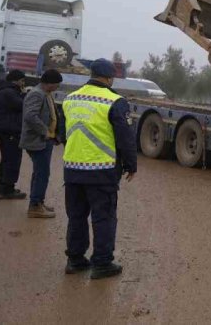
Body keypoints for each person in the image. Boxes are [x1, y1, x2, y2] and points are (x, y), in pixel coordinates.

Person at [62, 58, 137, 279]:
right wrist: (131, 165)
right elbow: (125, 138)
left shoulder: (70, 98)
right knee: (103, 217)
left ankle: (75, 260)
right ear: (110, 78)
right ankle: (103, 263)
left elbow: (63, 133)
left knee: (76, 217)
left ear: (91, 73)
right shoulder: (115, 101)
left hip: (73, 169)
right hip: (101, 170)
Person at [21, 69, 63, 218]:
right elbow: (30, 116)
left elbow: (52, 116)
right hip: (37, 140)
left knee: (40, 172)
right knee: (42, 173)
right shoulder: (36, 94)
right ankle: (35, 206)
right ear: (49, 83)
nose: (58, 87)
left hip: (46, 140)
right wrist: (45, 132)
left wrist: (55, 134)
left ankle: (38, 202)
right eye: (56, 84)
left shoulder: (46, 94)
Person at [0, 69, 27, 199]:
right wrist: (25, 95)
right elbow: (22, 105)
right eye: (22, 81)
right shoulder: (9, 92)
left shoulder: (5, 91)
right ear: (17, 80)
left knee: (6, 159)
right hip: (8, 131)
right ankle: (6, 190)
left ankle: (4, 188)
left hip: (3, 130)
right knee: (12, 160)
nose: (23, 84)